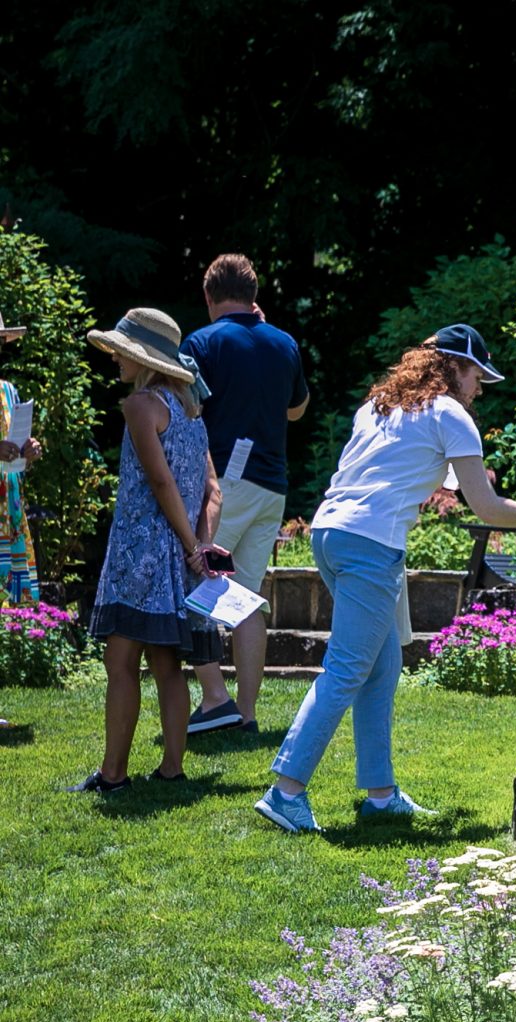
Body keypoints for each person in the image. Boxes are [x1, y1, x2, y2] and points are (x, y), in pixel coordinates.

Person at [256, 325, 516, 833]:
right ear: (453, 368)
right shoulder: (451, 415)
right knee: (347, 668)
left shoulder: (378, 405)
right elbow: (486, 506)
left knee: (381, 667)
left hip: (331, 535)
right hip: (370, 545)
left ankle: (380, 795)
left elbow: (411, 474)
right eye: (475, 375)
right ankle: (286, 790)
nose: (480, 388)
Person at [81, 308, 226, 795]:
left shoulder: (140, 405)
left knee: (119, 663)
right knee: (167, 666)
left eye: (121, 351)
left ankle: (113, 776)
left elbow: (161, 482)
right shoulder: (191, 412)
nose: (115, 359)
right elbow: (212, 491)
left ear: (141, 357)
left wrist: (191, 544)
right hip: (178, 555)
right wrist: (200, 547)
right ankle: (171, 768)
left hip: (140, 553)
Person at [182, 253, 308, 737]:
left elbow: (186, 410)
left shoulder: (203, 341)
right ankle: (247, 714)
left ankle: (215, 700)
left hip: (223, 483)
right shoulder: (284, 343)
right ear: (255, 296)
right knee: (246, 598)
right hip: (272, 483)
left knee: (197, 588)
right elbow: (297, 411)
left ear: (210, 296)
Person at [0, 314, 44, 607]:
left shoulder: (7, 390)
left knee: (13, 607)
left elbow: (12, 451)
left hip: (9, 509)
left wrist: (27, 452)